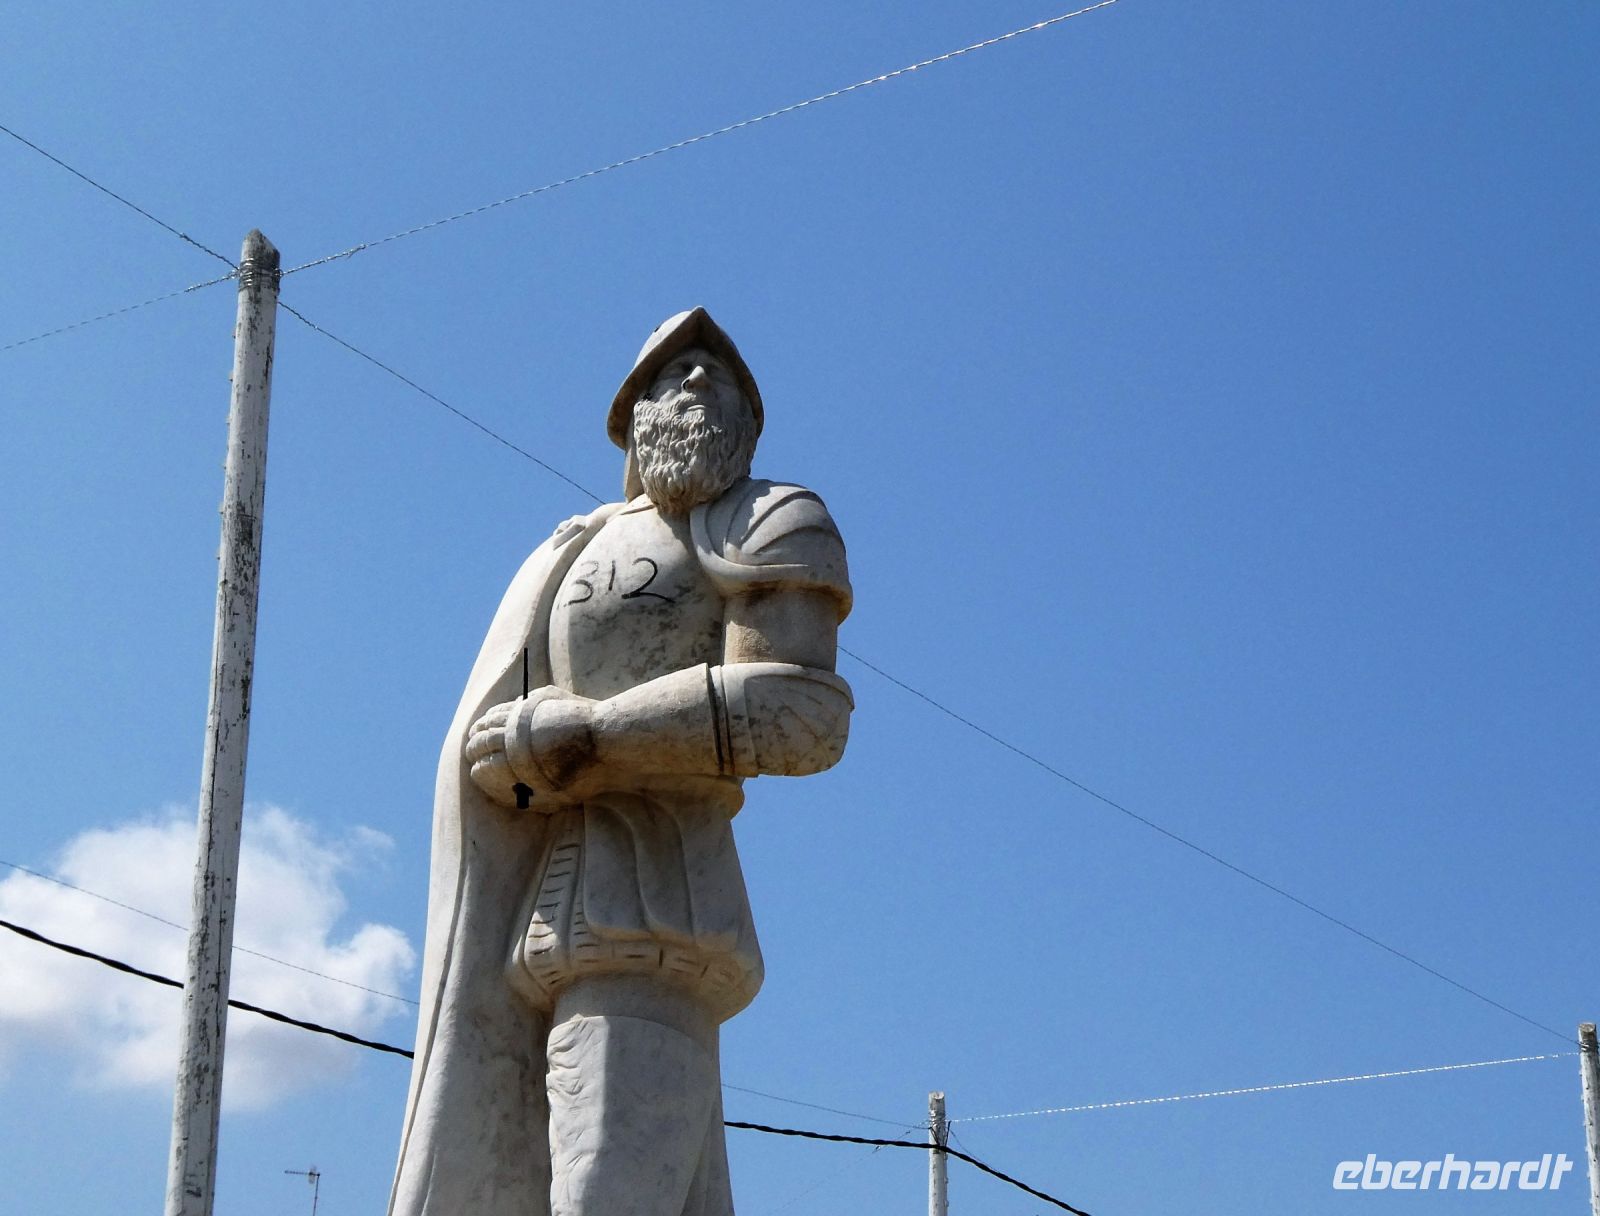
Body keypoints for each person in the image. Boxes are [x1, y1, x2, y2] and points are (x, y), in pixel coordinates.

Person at [390, 307, 853, 1216]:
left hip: (661, 907)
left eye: (716, 374)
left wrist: (595, 738)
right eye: (669, 372)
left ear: (751, 420)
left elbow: (802, 711)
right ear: (629, 416)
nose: (692, 383)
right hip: (552, 914)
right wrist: (513, 747)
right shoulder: (569, 548)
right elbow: (489, 740)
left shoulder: (772, 519)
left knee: (607, 1187)